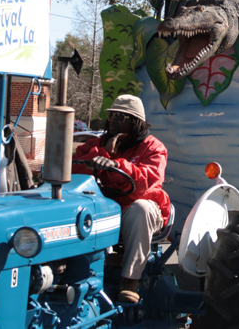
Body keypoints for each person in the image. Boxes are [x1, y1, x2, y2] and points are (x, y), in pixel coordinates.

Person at [72, 95, 170, 303]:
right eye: (112, 116)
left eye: (121, 116)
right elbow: (74, 169)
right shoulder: (95, 144)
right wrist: (103, 153)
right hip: (105, 207)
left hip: (137, 207)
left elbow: (146, 182)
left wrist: (117, 165)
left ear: (136, 122)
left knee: (140, 209)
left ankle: (130, 280)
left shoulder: (153, 147)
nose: (114, 121)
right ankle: (71, 273)